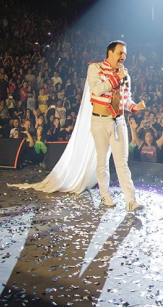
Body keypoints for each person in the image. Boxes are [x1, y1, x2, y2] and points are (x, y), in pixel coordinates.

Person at [10, 40, 145, 212]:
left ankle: (131, 200)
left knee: (122, 163)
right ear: (110, 53)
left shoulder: (125, 74)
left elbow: (126, 99)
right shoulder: (95, 68)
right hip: (99, 121)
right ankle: (105, 194)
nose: (123, 57)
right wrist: (116, 78)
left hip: (118, 121)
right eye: (120, 53)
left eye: (124, 54)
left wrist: (135, 107)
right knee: (102, 160)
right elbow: (96, 90)